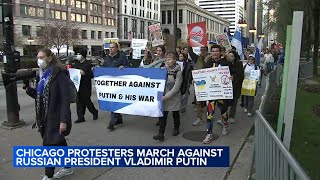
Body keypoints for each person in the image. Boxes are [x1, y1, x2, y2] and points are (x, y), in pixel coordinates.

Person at [24, 49, 73, 180]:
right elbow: (40, 96)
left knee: (49, 145)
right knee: (59, 141)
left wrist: (64, 120)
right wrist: (29, 89)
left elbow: (65, 99)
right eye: (37, 57)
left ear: (49, 58)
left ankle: (48, 175)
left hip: (55, 117)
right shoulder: (42, 74)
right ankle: (67, 167)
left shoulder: (59, 74)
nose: (39, 60)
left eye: (41, 57)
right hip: (43, 116)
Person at [202, 44, 234, 143]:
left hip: (221, 93)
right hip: (210, 93)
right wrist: (197, 80)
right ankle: (209, 134)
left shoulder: (226, 63)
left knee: (223, 111)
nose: (215, 53)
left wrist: (232, 77)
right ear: (211, 52)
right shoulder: (207, 62)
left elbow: (233, 74)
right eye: (213, 51)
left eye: (217, 51)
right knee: (209, 114)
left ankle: (225, 125)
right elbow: (202, 75)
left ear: (220, 52)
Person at [153, 52, 183, 141]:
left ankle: (176, 128)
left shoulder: (178, 72)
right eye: (167, 59)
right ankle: (161, 134)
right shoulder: (163, 69)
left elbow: (176, 87)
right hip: (164, 96)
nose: (167, 61)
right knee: (163, 116)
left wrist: (167, 96)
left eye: (169, 59)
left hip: (174, 97)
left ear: (174, 60)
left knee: (175, 114)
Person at [102, 42, 129, 131]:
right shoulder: (107, 58)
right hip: (110, 84)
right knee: (112, 101)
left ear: (117, 48)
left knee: (115, 102)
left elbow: (129, 67)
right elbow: (103, 69)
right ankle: (119, 119)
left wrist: (123, 67)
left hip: (120, 84)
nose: (111, 49)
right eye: (110, 48)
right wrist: (96, 69)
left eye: (112, 47)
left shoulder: (122, 57)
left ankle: (112, 123)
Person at [73, 51, 98, 124]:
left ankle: (94, 112)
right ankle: (80, 117)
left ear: (83, 55)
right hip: (78, 85)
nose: (77, 56)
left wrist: (84, 73)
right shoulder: (77, 63)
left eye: (79, 54)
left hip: (86, 85)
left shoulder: (88, 63)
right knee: (79, 101)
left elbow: (91, 75)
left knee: (87, 101)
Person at [188, 46, 210, 126]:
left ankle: (209, 116)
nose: (202, 51)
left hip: (209, 83)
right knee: (198, 102)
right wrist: (189, 42)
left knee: (209, 102)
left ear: (207, 51)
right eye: (201, 50)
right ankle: (199, 118)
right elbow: (190, 52)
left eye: (204, 50)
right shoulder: (197, 58)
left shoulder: (211, 59)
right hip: (199, 83)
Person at [226, 51, 244, 123]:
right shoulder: (226, 63)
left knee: (234, 101)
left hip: (236, 86)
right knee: (225, 102)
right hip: (227, 86)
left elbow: (241, 75)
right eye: (229, 56)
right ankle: (224, 116)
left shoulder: (239, 63)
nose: (230, 58)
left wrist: (234, 77)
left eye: (232, 56)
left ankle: (231, 116)